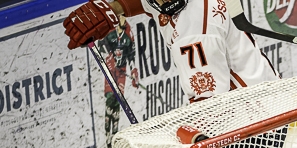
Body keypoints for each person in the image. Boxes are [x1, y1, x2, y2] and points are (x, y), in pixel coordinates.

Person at [62, 0, 278, 102]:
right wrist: (111, 10)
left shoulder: (194, 31)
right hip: (256, 98)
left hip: (253, 119)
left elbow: (210, 108)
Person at [96, 16, 138, 148]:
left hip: (121, 73)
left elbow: (131, 54)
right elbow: (100, 45)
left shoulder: (128, 33)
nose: (123, 18)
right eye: (121, 15)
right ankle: (108, 135)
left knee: (118, 103)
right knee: (109, 100)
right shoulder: (109, 30)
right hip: (110, 71)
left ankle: (115, 135)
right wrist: (109, 59)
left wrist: (133, 71)